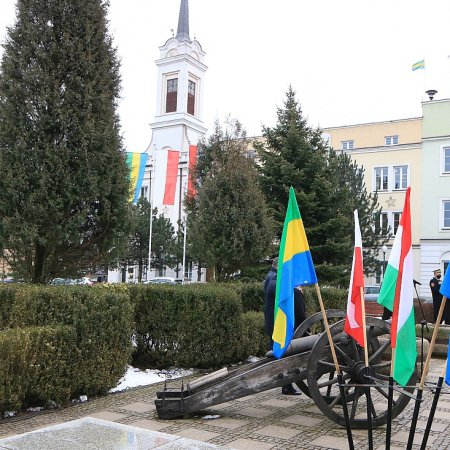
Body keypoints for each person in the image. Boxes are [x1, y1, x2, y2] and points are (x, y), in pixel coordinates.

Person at [264, 257, 301, 395]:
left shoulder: (272, 275)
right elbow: (274, 288)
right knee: (284, 354)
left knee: (281, 354)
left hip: (274, 322)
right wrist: (293, 290)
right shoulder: (273, 278)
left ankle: (284, 383)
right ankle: (285, 385)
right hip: (276, 324)